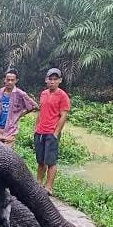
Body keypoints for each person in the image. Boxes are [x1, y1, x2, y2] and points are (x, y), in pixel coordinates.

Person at [35, 68, 71, 196]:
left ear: (60, 80)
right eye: (50, 79)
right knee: (40, 160)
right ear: (46, 80)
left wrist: (56, 133)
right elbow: (40, 110)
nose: (52, 81)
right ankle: (38, 182)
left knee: (51, 161)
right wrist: (36, 127)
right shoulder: (44, 93)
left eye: (55, 79)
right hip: (40, 132)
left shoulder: (63, 96)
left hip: (51, 132)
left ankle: (49, 187)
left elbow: (63, 116)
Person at [0, 69, 38, 147]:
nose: (10, 82)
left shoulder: (21, 94)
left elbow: (34, 106)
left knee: (6, 156)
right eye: (8, 80)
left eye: (12, 80)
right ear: (4, 80)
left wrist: (19, 115)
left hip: (10, 131)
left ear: (16, 80)